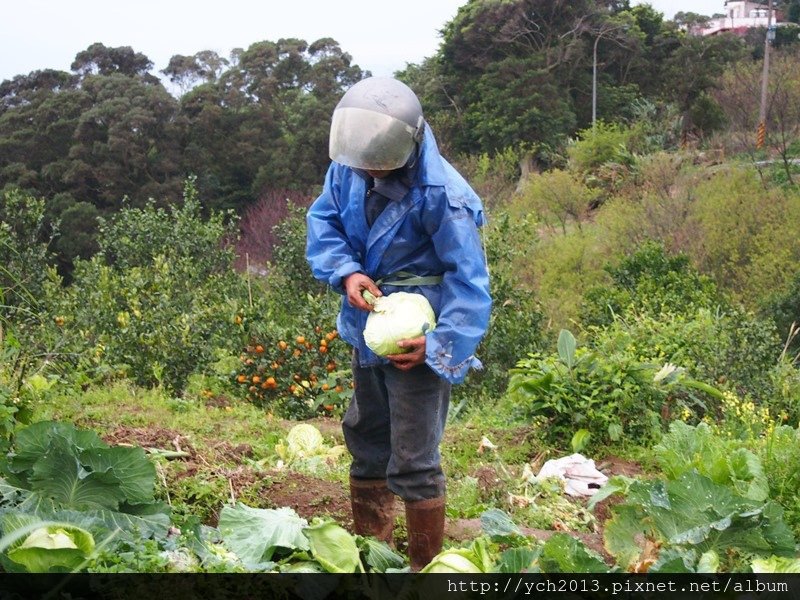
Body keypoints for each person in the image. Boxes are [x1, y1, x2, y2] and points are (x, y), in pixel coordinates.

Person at [305, 77, 491, 571]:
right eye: (359, 163)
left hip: (417, 338)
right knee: (365, 436)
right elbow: (324, 222)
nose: (365, 171)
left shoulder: (444, 196)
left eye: (375, 165)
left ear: (404, 147)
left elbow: (469, 283)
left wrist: (438, 348)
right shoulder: (348, 166)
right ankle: (372, 554)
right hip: (369, 328)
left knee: (414, 455)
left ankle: (421, 568)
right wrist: (346, 271)